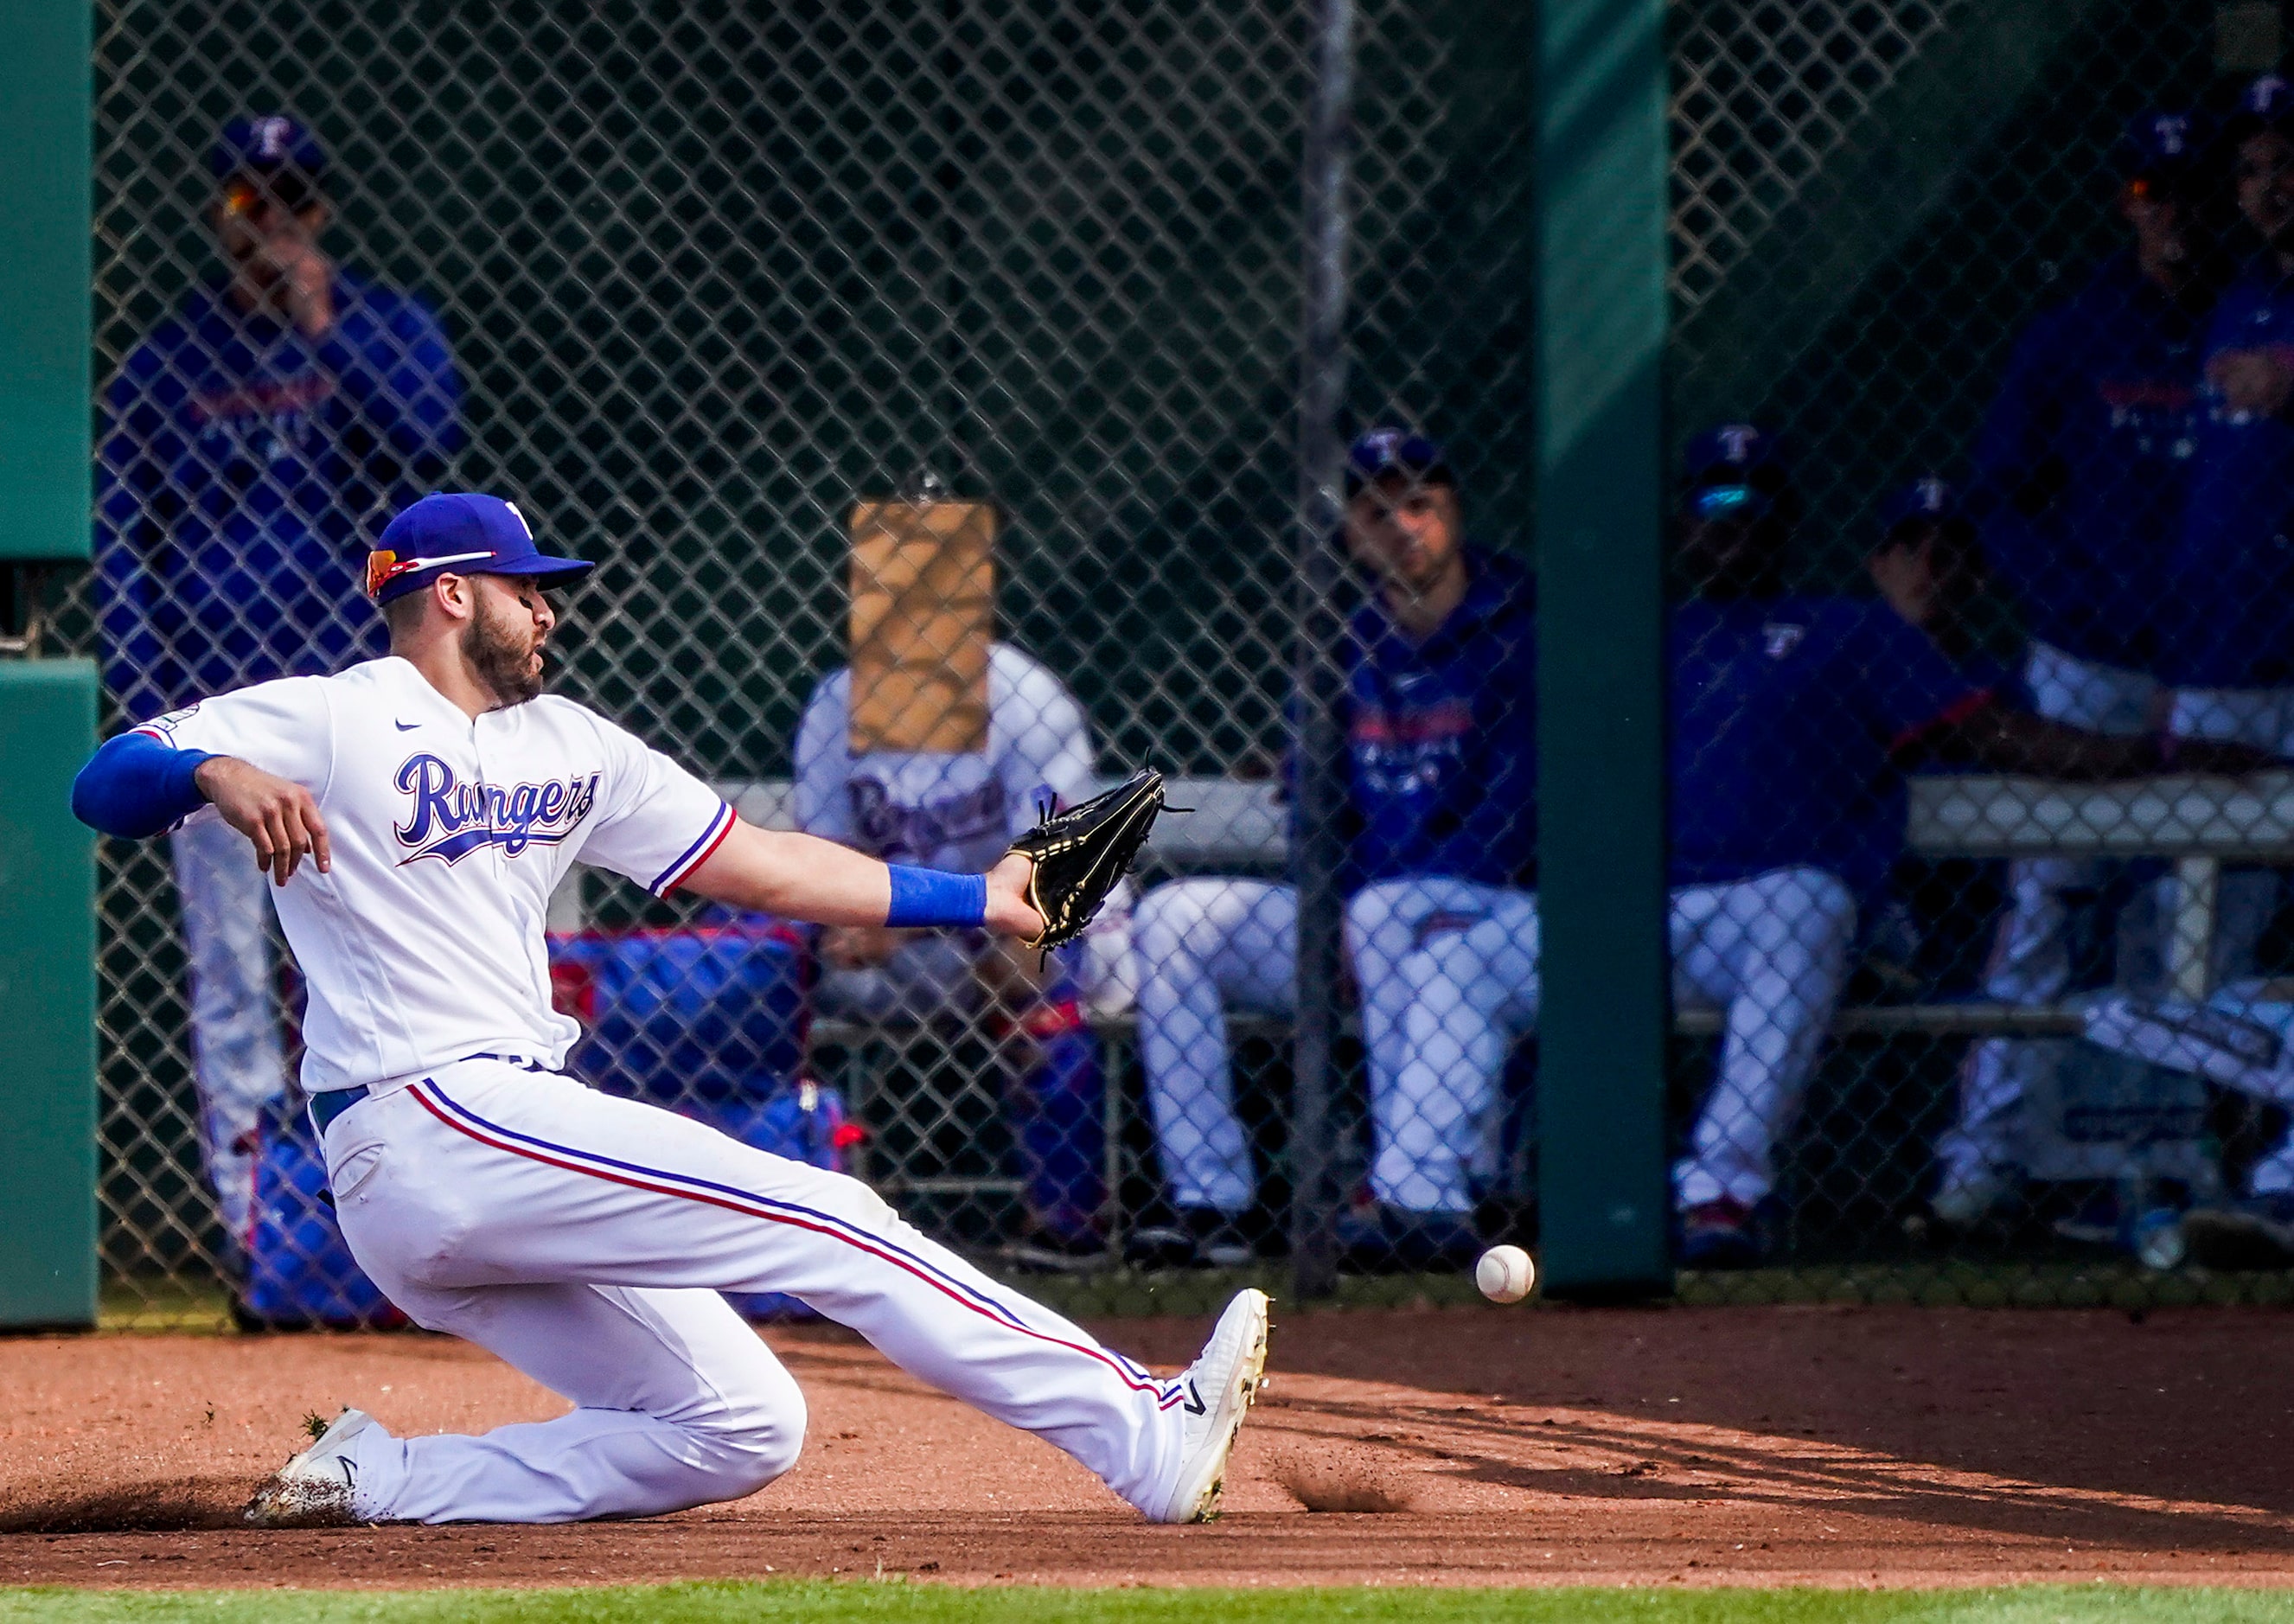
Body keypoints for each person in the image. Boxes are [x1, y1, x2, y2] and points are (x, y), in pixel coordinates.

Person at [70, 491, 1268, 1528]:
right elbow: (104, 778)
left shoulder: (575, 744)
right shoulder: (338, 714)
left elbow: (765, 865)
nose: (549, 610)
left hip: (471, 1148)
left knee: (743, 1421)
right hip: (428, 1110)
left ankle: (384, 1477)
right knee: (834, 1215)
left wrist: (985, 900)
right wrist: (212, 769)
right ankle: (1146, 1431)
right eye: (524, 588)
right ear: (444, 595)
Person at [1383, 427, 2263, 1268]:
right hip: (1635, 919)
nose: (1734, 518)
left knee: (1805, 902)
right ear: (1682, 521)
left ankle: (1719, 1193)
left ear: (1786, 520)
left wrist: (2163, 755)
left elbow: (2001, 737)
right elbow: (1498, 758)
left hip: (1766, 916)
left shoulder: (1850, 631)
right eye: (1714, 498)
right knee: (1457, 961)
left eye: (1755, 500)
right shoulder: (1642, 641)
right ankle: (1415, 1197)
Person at [93, 114, 464, 1243]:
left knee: (376, 962)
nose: (273, 224)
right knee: (233, 988)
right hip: (225, 724)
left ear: (323, 208)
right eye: (250, 203)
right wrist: (160, 713)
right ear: (220, 215)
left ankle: (387, 1218)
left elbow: (431, 446)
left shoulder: (386, 329)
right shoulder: (165, 367)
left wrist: (326, 330)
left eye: (292, 197)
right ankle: (263, 1229)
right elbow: (122, 544)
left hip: (359, 717)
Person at [1128, 429, 1538, 1271]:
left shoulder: (1520, 626)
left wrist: (1360, 908)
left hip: (1499, 909)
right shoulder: (1340, 644)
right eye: (1377, 512)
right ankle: (1214, 1206)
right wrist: (1334, 908)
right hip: (1362, 910)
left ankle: (1406, 1191)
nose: (1401, 527)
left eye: (1420, 505)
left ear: (1453, 514)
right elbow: (1319, 815)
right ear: (1352, 533)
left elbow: (1517, 814)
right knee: (1173, 921)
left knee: (1392, 913)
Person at [1934, 110, 2220, 1225]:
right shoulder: (2075, 332)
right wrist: (2079, 608)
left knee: (2197, 916)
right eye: (2152, 195)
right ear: (2127, 205)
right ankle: (1986, 1153)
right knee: (2050, 903)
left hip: (2222, 667)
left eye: (2191, 193)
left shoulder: (2254, 326)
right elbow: (1998, 499)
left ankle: (2180, 1158)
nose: (2173, 216)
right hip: (2085, 663)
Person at [792, 643, 1134, 1267]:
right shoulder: (837, 702)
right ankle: (794, 1215)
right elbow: (823, 858)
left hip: (1034, 922)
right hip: (899, 938)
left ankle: (1066, 1221)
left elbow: (1049, 875)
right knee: (772, 962)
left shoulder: (1023, 696)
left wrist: (904, 924)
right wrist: (848, 924)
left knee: (1034, 971)